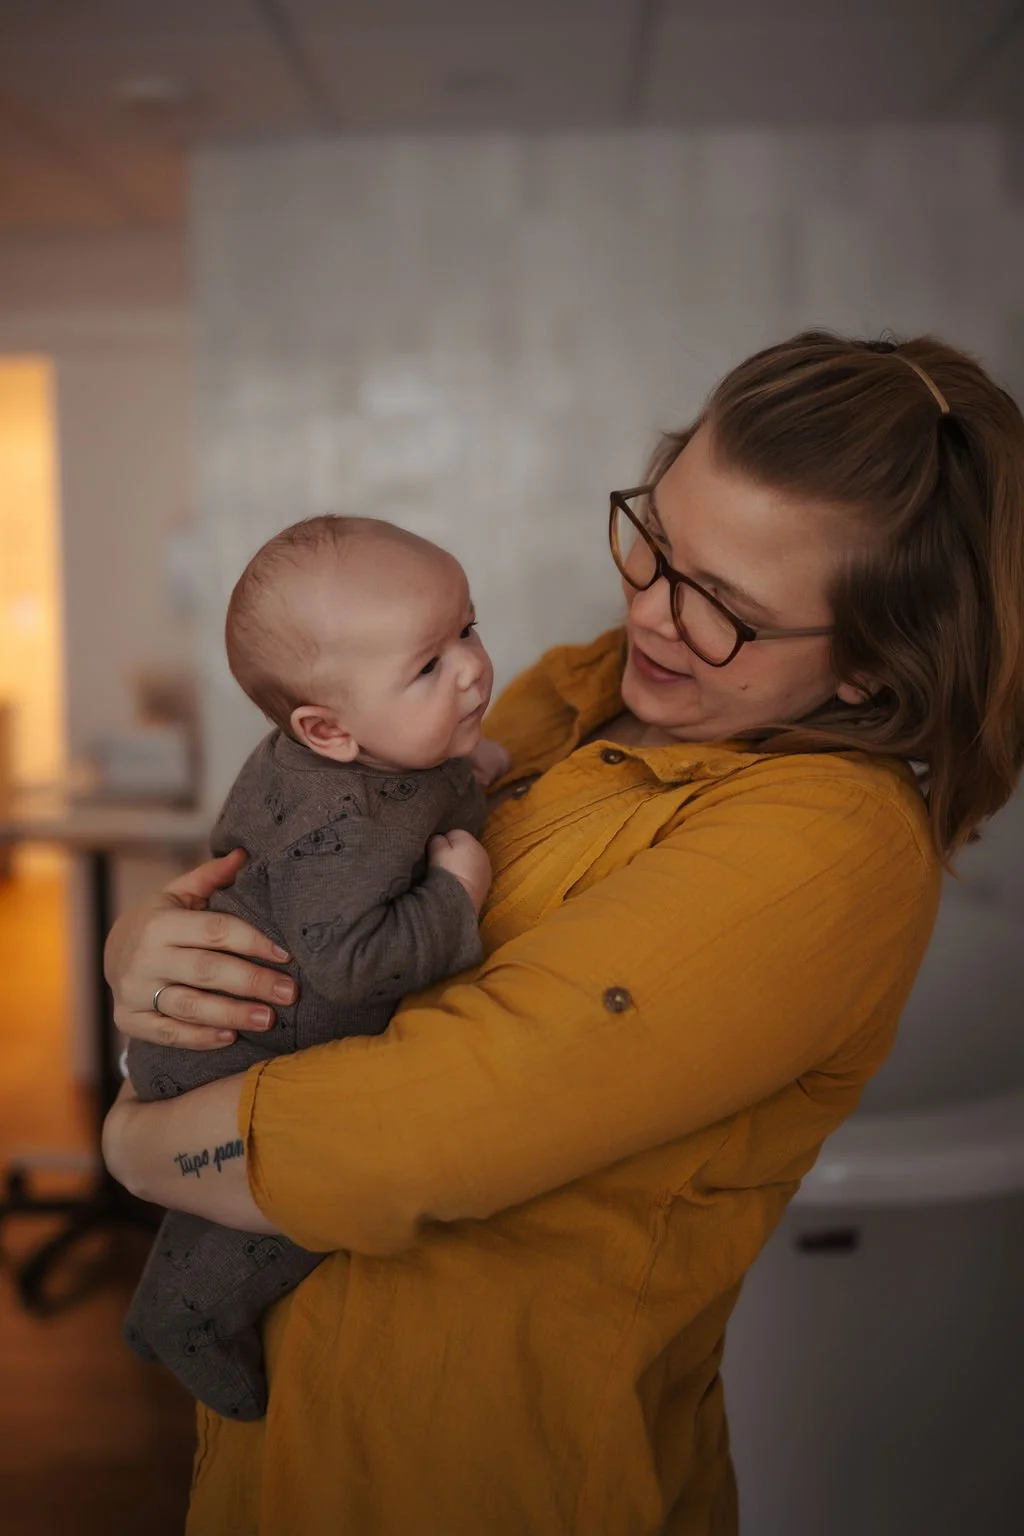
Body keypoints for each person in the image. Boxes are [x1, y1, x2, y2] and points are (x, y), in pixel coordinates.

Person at [102, 332, 1024, 1536]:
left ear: (870, 667)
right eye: (658, 542)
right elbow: (319, 846)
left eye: (725, 609)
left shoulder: (826, 850)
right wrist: (156, 952)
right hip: (289, 1433)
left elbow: (426, 1123)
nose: (649, 607)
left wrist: (129, 1144)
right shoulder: (591, 687)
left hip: (478, 1477)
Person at [124, 515, 503, 1421]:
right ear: (327, 729)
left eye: (468, 628)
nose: (473, 667)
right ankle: (185, 1316)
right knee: (291, 1210)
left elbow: (423, 773)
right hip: (250, 1038)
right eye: (429, 666)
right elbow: (346, 961)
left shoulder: (370, 747)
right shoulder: (349, 826)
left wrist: (471, 762)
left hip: (229, 1002)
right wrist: (456, 896)